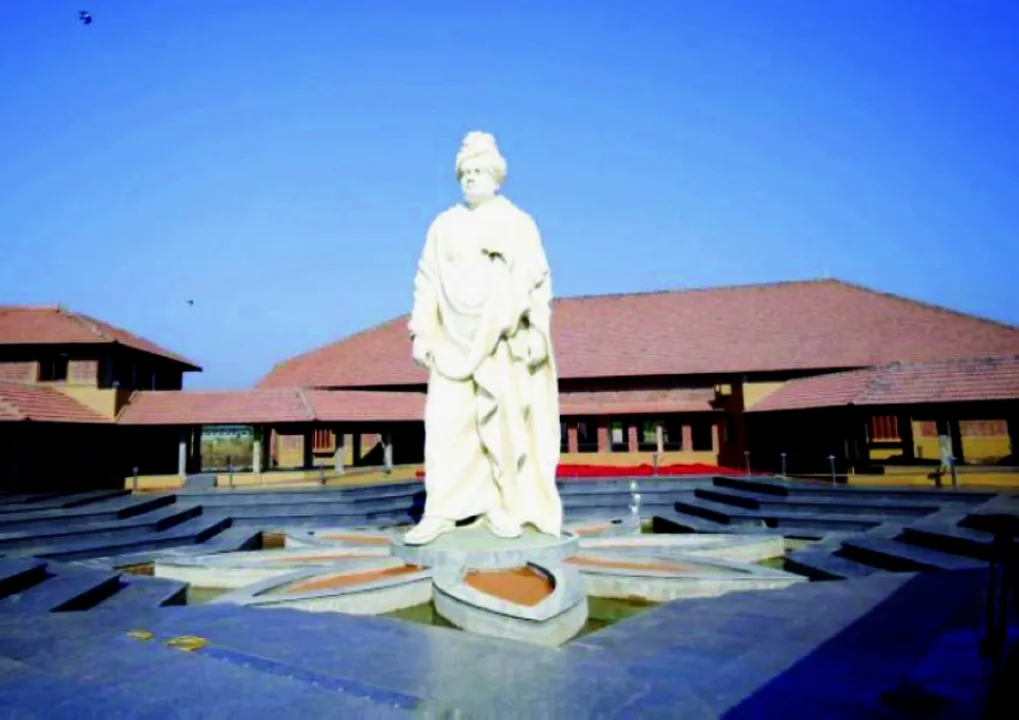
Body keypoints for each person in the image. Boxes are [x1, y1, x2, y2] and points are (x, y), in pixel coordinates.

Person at [402, 131, 563, 546]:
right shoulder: (443, 225)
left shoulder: (518, 223)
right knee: (444, 426)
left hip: (501, 341)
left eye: (478, 171)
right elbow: (426, 281)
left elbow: (538, 282)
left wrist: (535, 331)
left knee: (501, 428)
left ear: (496, 177)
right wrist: (421, 332)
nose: (470, 178)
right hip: (451, 344)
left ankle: (501, 505)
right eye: (465, 173)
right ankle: (441, 510)